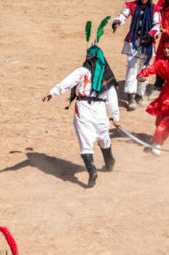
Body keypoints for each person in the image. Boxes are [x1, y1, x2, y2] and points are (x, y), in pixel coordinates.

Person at [43, 29, 121, 187]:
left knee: (86, 142)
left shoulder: (82, 71)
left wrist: (52, 93)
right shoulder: (107, 76)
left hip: (83, 109)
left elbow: (66, 83)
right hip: (100, 110)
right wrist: (116, 118)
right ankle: (110, 162)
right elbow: (112, 98)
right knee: (103, 136)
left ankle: (92, 170)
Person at [111, 0, 160, 110]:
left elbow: (157, 24)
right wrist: (117, 22)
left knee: (145, 69)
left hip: (146, 42)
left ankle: (140, 94)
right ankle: (130, 95)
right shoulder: (132, 5)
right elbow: (123, 15)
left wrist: (150, 34)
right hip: (133, 40)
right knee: (131, 67)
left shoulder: (154, 8)